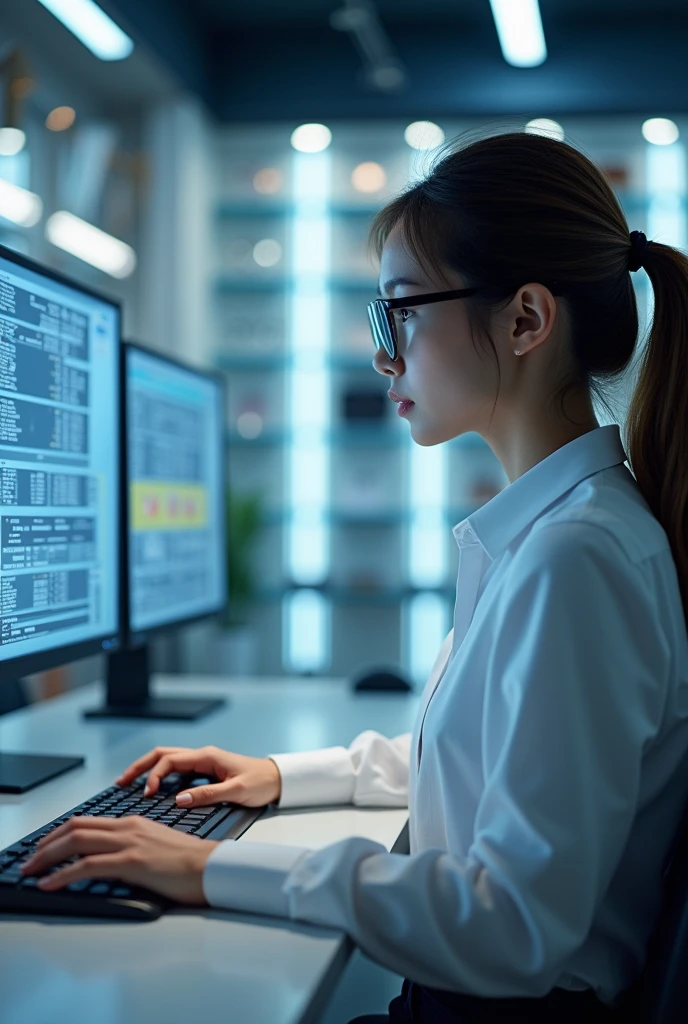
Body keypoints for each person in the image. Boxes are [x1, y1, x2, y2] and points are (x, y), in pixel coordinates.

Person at [21, 129, 688, 1024]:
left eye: (402, 312)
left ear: (526, 320)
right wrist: (281, 776)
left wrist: (209, 866)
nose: (384, 355)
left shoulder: (579, 559)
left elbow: (516, 925)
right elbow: (493, 764)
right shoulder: (559, 536)